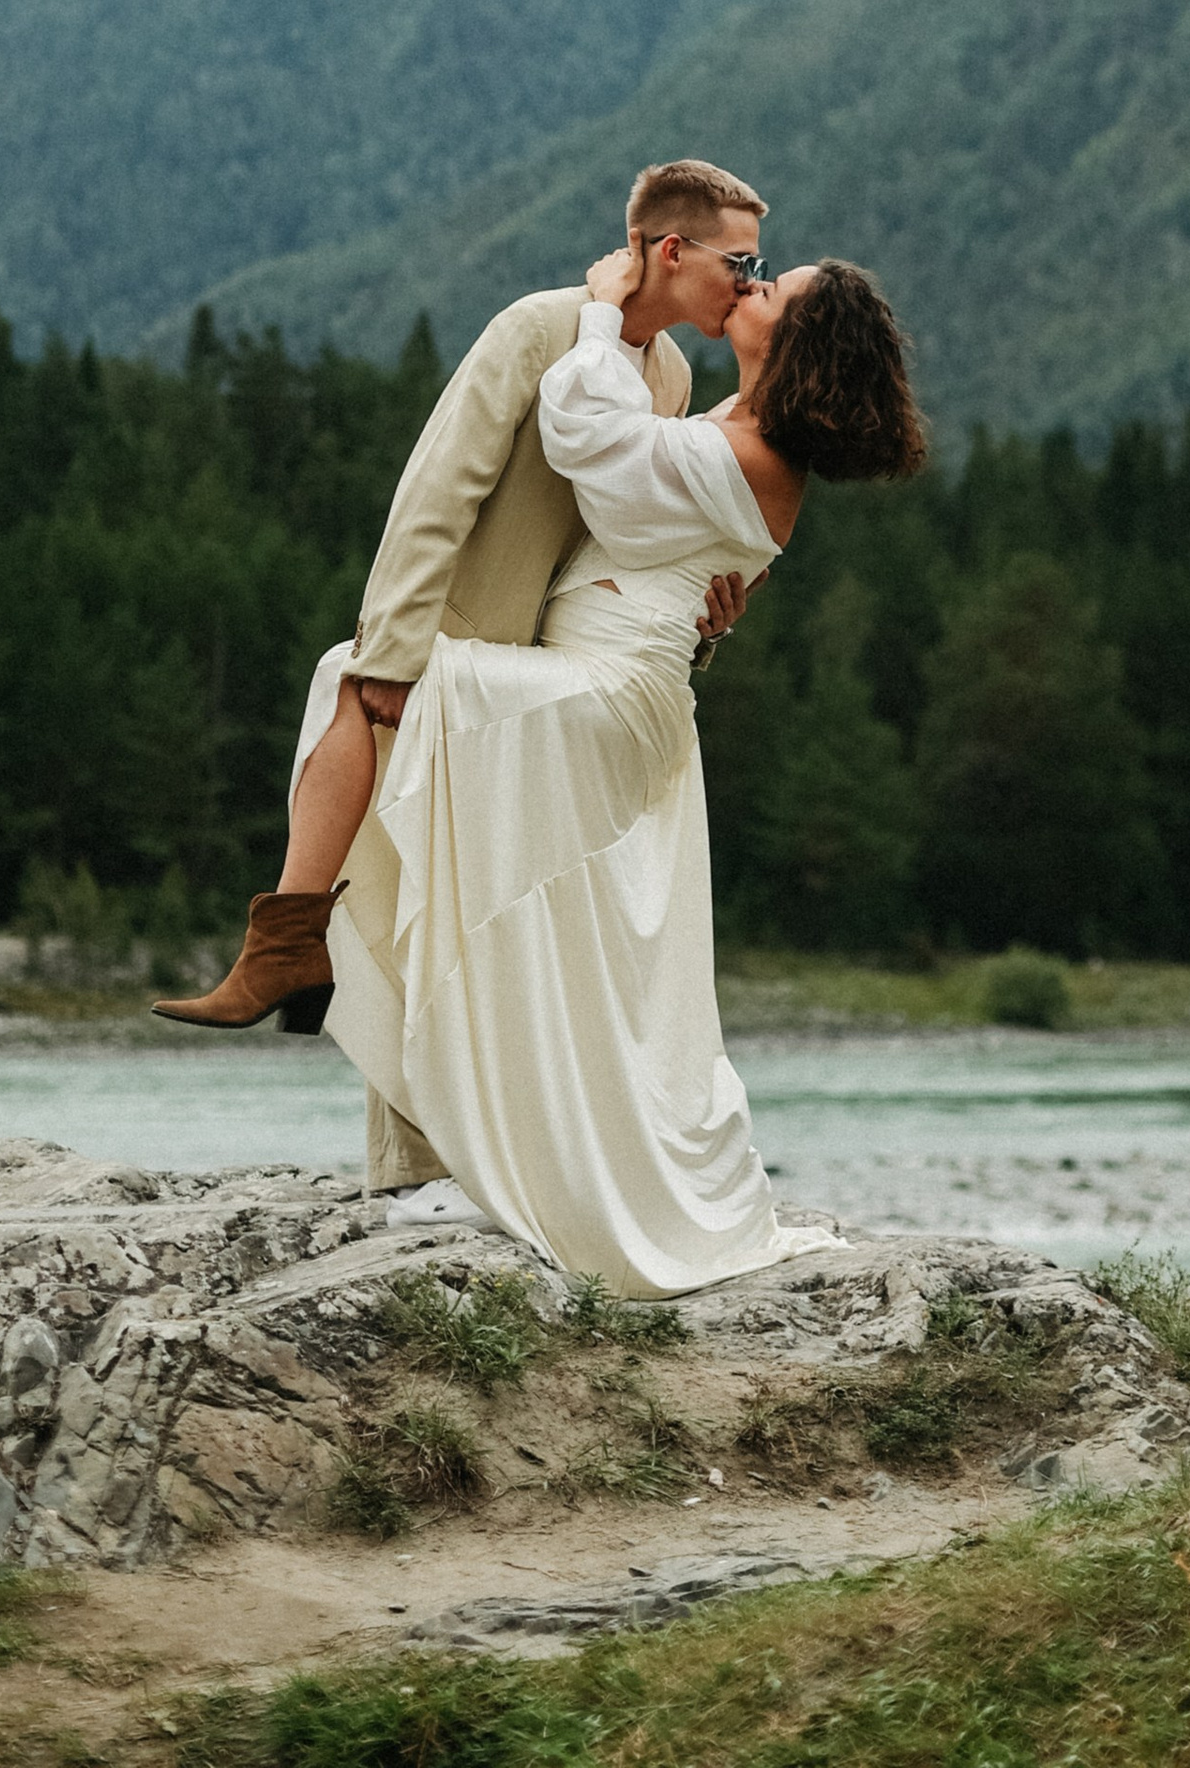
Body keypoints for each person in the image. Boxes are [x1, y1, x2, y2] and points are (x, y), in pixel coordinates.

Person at [310, 235, 923, 1292]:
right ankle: (472, 1149)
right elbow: (675, 551)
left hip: (605, 700)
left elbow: (587, 438)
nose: (755, 282)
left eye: (777, 287)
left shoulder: (755, 454)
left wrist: (604, 313)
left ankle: (312, 966)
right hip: (602, 687)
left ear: (803, 336)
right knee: (507, 910)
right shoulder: (729, 431)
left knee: (360, 681)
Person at [152, 161, 769, 1184]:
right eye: (740, 261)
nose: (750, 283)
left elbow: (624, 530)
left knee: (471, 925)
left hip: (546, 670)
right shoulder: (537, 326)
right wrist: (392, 654)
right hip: (453, 639)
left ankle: (445, 1138)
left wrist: (700, 608)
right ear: (671, 249)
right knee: (397, 884)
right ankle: (374, 1109)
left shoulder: (667, 376)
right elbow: (437, 489)